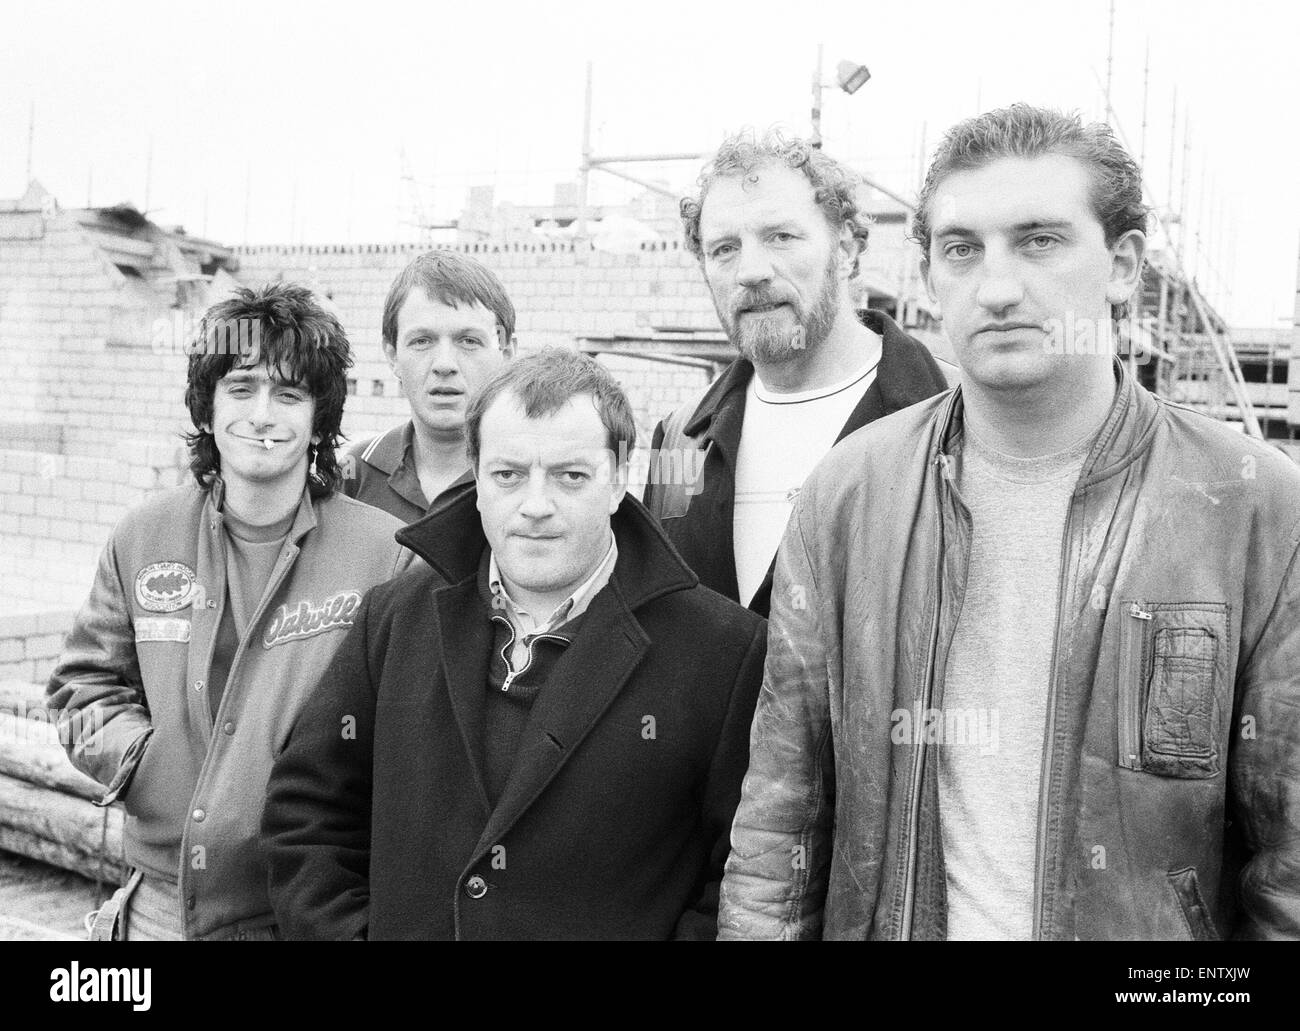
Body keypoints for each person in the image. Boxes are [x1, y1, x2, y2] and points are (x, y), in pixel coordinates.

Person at [718, 104, 1300, 940]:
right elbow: (780, 826)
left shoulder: (1252, 504)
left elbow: (1287, 874)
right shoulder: (847, 494)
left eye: (1040, 240)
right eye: (962, 249)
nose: (997, 286)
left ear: (1124, 265)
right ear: (927, 276)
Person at [264, 348, 766, 940]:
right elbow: (307, 816)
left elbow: (742, 875)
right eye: (508, 474)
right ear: (476, 481)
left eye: (569, 475)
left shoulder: (722, 654)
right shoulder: (395, 618)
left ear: (618, 481)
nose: (535, 505)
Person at [46, 283, 410, 940]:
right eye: (241, 388)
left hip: (304, 911)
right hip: (159, 905)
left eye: (289, 394)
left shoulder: (384, 556)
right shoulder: (144, 536)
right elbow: (81, 687)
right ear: (207, 405)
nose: (262, 414)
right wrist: (144, 760)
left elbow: (413, 733)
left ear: (319, 418)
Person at [643, 130, 955, 616]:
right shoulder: (679, 440)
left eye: (781, 237)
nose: (751, 271)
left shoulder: (955, 417)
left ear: (847, 249)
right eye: (724, 248)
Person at [343, 249, 516, 521]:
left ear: (505, 353)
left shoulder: (531, 478)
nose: (444, 364)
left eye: (469, 341)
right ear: (392, 355)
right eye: (422, 341)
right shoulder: (355, 475)